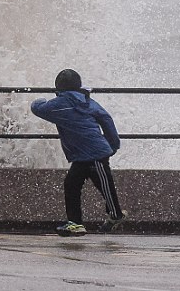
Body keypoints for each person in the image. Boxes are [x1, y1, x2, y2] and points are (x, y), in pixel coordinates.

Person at [30, 68, 126, 236]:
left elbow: (38, 108)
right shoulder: (88, 101)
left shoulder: (58, 104)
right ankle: (76, 223)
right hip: (90, 152)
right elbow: (106, 119)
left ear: (58, 87)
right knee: (78, 184)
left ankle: (114, 215)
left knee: (102, 185)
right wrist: (114, 144)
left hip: (93, 153)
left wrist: (41, 99)